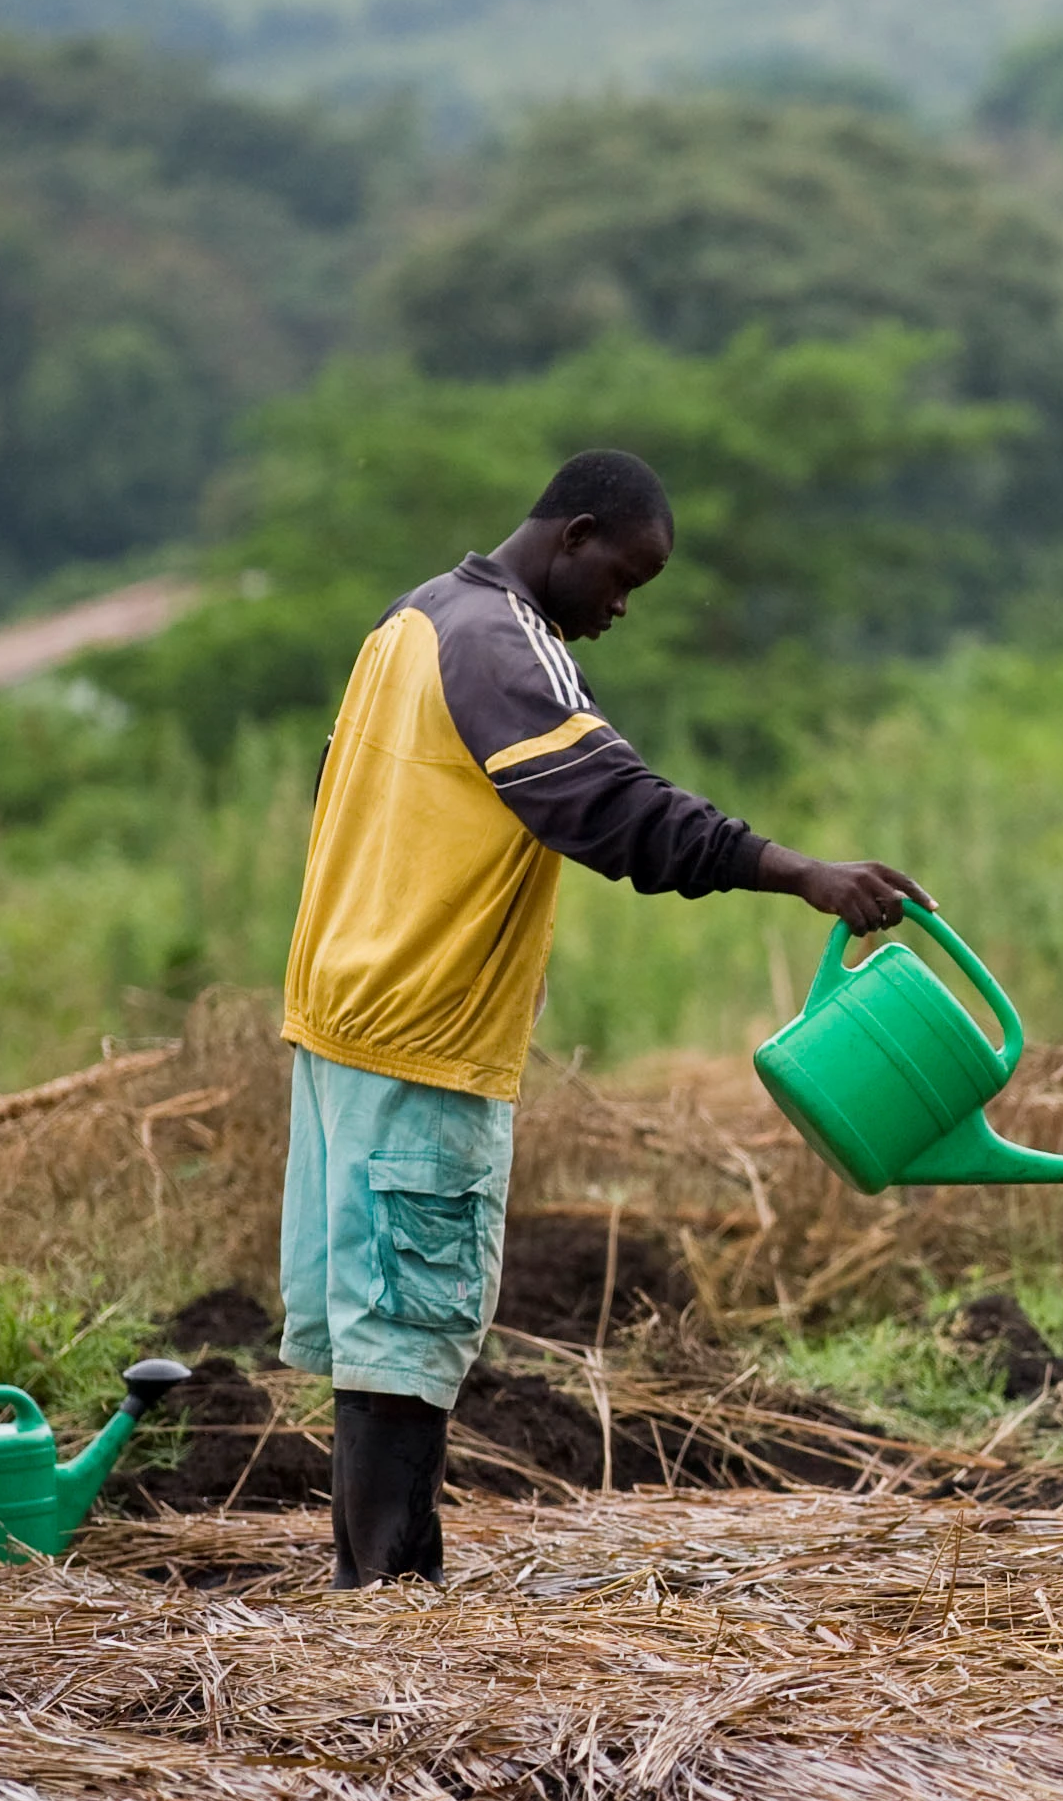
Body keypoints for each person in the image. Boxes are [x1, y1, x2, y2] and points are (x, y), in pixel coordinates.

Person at [275, 448, 928, 1587]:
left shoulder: (413, 619)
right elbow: (614, 807)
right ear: (572, 535)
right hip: (423, 1031)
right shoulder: (501, 642)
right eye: (623, 579)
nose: (620, 609)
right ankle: (389, 1611)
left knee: (376, 1336)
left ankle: (369, 1595)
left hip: (340, 1016)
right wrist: (801, 872)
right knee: (408, 1333)